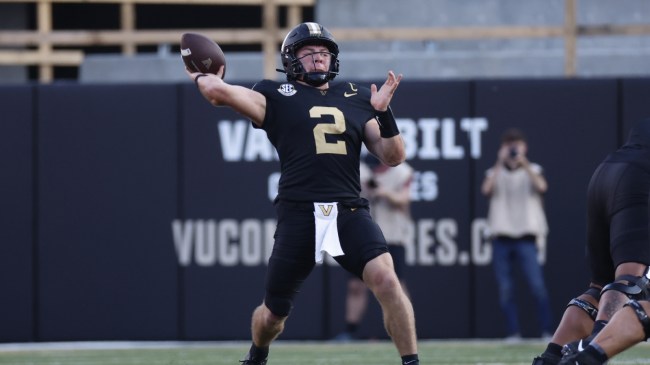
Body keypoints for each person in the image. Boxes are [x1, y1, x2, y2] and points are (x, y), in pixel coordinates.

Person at [185, 22, 420, 365]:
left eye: (323, 53)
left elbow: (394, 156)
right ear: (290, 60)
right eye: (308, 53)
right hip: (299, 215)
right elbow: (218, 94)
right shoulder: (274, 95)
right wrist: (203, 76)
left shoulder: (355, 97)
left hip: (348, 211)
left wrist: (384, 113)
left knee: (387, 279)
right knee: (273, 315)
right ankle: (257, 355)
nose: (318, 60)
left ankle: (412, 362)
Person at [532, 119, 650, 365]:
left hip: (607, 173)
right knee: (634, 285)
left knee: (600, 289)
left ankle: (551, 358)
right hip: (641, 178)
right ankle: (589, 351)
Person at [481, 128, 554, 342]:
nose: (513, 150)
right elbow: (486, 190)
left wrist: (525, 163)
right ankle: (513, 332)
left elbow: (542, 186)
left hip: (526, 238)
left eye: (517, 145)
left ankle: (547, 331)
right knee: (505, 289)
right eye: (509, 145)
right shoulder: (492, 172)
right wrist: (498, 162)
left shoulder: (534, 170)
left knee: (537, 287)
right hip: (501, 237)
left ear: (524, 147)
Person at [334, 155, 414, 341]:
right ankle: (350, 331)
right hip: (363, 235)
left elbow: (404, 200)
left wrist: (385, 193)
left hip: (391, 235)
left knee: (396, 284)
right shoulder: (359, 167)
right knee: (355, 285)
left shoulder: (401, 170)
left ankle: (405, 329)